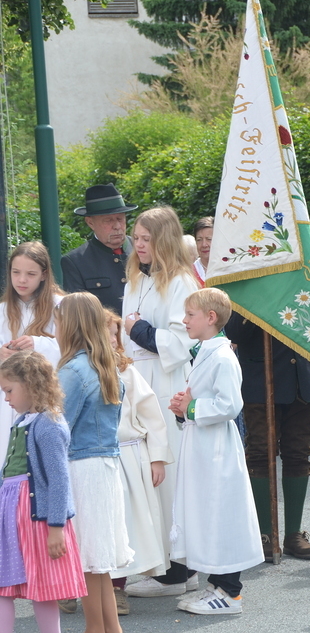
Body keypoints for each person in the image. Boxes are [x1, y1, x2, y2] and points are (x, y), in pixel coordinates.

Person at [165, 288, 263, 615]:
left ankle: (230, 593)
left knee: (221, 514)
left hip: (218, 447)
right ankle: (217, 585)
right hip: (203, 445)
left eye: (190, 314)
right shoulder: (206, 352)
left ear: (210, 318)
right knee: (207, 514)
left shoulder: (222, 356)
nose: (184, 320)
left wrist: (192, 408)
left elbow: (230, 404)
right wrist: (184, 410)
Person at [121, 206, 200, 599]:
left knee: (168, 475)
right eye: (136, 238)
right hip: (137, 383)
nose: (138, 245)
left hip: (165, 385)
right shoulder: (136, 278)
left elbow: (180, 342)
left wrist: (139, 329)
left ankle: (180, 571)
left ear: (164, 240)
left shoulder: (181, 282)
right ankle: (165, 564)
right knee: (147, 477)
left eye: (146, 239)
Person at [226, 311, 310, 561]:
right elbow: (234, 331)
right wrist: (260, 302)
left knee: (298, 454)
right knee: (261, 454)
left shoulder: (304, 283)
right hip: (261, 380)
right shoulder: (246, 286)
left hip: (304, 380)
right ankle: (265, 534)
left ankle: (293, 535)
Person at [56, 292, 133, 633]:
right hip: (104, 466)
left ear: (70, 325)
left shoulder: (73, 370)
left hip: (82, 467)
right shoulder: (105, 365)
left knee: (87, 559)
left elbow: (59, 428)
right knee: (98, 562)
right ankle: (108, 628)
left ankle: (94, 629)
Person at [0, 351, 87, 633]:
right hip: (13, 515)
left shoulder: (48, 424)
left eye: (9, 390)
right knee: (3, 584)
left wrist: (56, 527)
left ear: (31, 384)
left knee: (44, 587)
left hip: (37, 518)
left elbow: (59, 479)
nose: (6, 398)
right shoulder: (22, 422)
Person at [106, 311, 173, 616]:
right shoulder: (74, 371)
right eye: (105, 333)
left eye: (114, 334)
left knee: (126, 524)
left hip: (128, 457)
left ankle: (117, 588)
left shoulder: (126, 372)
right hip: (92, 458)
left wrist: (157, 458)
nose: (112, 339)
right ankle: (75, 586)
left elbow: (151, 416)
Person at [0, 242, 64, 460]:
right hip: (8, 401)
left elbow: (73, 347)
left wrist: (37, 344)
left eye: (30, 274)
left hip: (46, 396)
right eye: (16, 272)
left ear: (44, 275)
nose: (22, 280)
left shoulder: (61, 306)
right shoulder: (2, 310)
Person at [61, 184, 137, 314]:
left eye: (120, 218)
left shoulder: (142, 249)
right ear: (90, 222)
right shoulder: (76, 262)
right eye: (108, 220)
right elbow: (78, 315)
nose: (117, 226)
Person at [191, 217, 213, 287]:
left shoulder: (230, 271)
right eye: (199, 240)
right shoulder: (189, 273)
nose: (204, 245)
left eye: (209, 239)